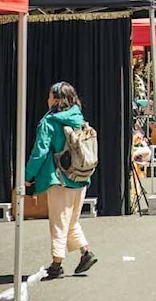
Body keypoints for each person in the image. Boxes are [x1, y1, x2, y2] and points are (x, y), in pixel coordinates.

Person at [25, 82, 97, 280]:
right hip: (81, 177)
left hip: (59, 178)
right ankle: (85, 252)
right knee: (72, 220)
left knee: (58, 222)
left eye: (50, 96)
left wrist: (27, 176)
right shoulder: (78, 117)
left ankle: (57, 264)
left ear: (56, 99)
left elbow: (39, 153)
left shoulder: (49, 121)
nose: (47, 99)